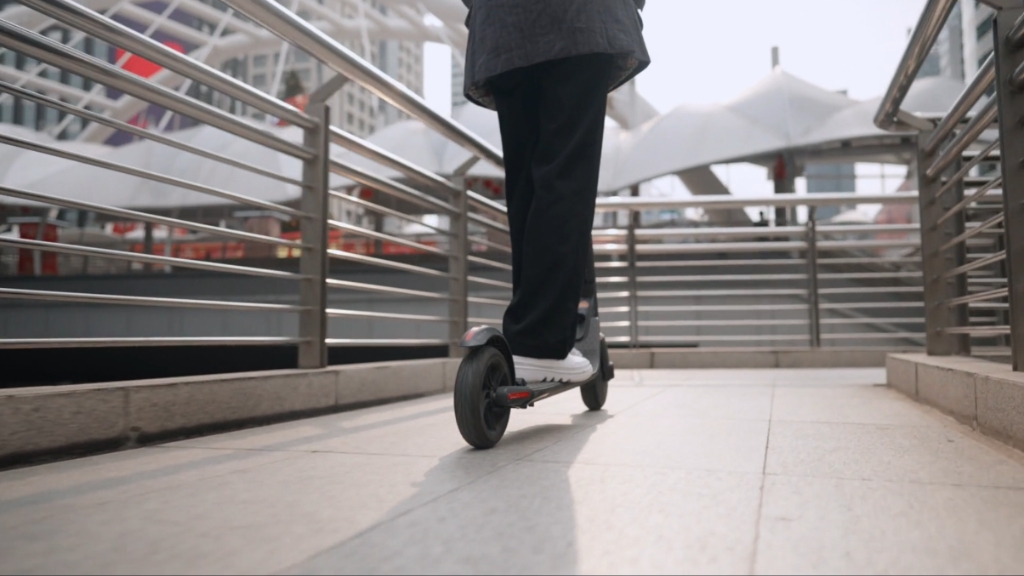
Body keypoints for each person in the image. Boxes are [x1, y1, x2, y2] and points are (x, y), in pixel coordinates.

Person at [461, 0, 650, 383]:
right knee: (565, 176)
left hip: (503, 26)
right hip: (580, 20)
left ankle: (532, 329)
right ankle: (540, 342)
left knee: (526, 184)